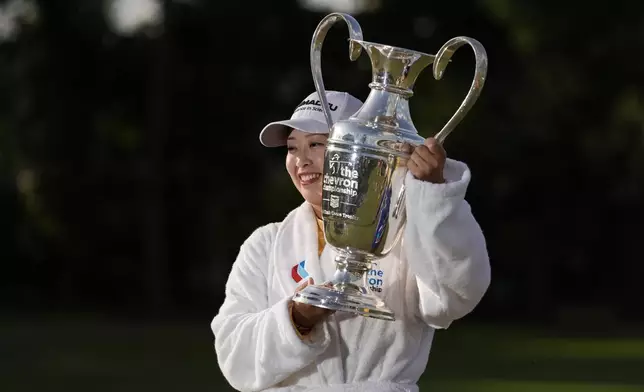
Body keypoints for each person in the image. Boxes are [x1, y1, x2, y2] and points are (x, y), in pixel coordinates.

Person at [211, 90, 491, 392]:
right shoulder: (265, 244)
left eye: (317, 144)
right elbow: (233, 354)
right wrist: (296, 318)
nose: (301, 160)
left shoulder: (405, 230)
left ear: (359, 152)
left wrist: (435, 199)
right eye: (292, 148)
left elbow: (456, 296)